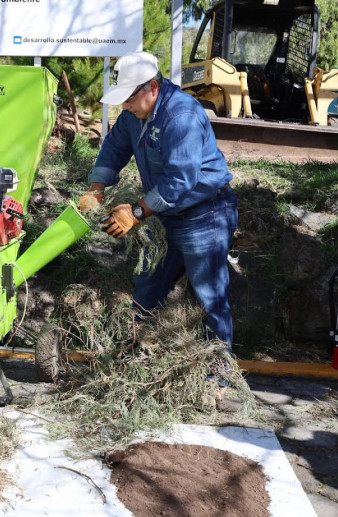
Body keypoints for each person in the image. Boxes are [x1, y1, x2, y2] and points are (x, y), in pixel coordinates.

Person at [79, 51, 238, 350]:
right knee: (147, 288)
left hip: (204, 215)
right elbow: (114, 148)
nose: (124, 105)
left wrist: (137, 211)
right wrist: (96, 187)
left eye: (128, 97)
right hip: (166, 215)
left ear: (152, 87)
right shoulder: (133, 114)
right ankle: (131, 356)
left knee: (209, 297)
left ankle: (219, 375)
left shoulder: (180, 116)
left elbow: (181, 180)